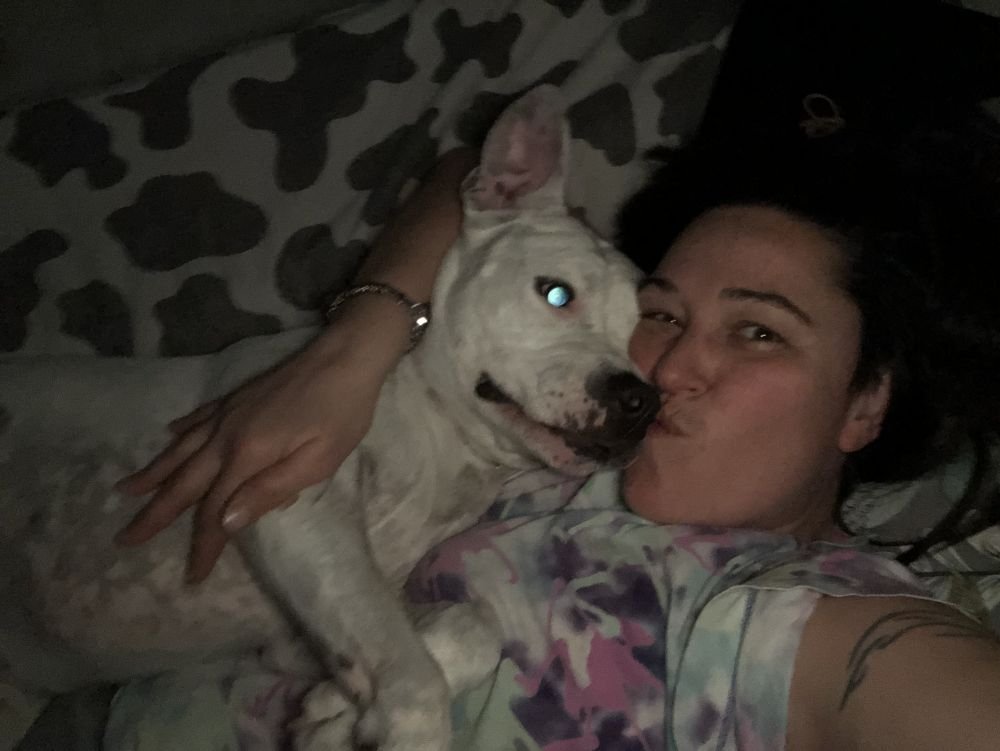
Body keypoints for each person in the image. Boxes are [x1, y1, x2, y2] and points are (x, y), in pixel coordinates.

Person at [115, 106, 1000, 749]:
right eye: (661, 314)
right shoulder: (560, 440)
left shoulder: (800, 609)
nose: (667, 369)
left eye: (758, 331)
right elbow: (472, 179)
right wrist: (350, 350)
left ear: (864, 403)